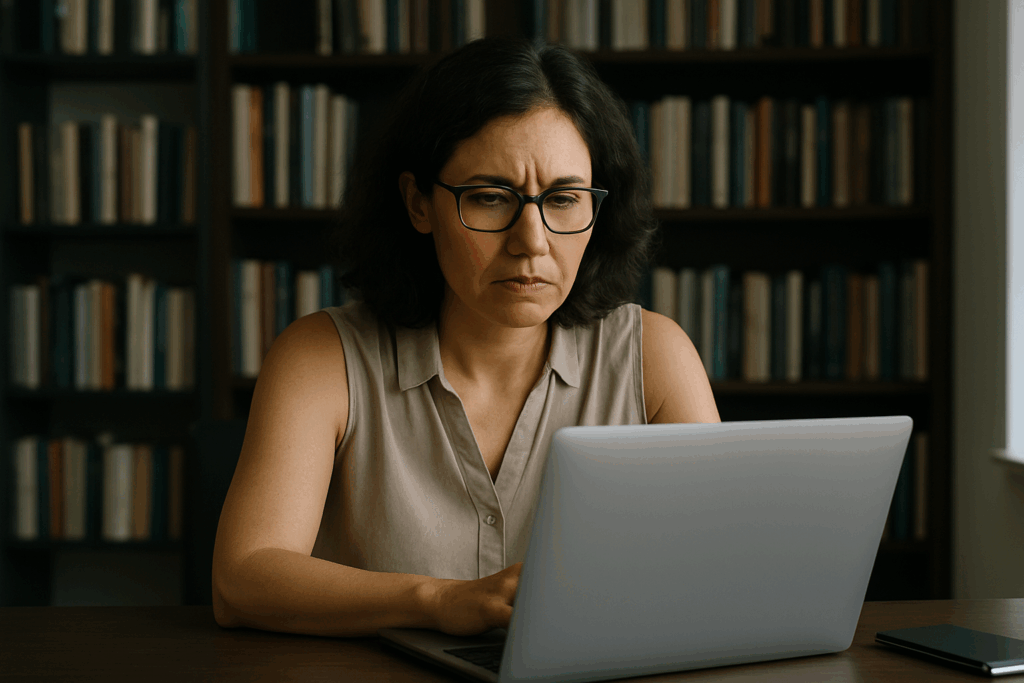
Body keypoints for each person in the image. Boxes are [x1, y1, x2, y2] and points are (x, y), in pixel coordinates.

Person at [211, 37, 720, 640]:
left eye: (563, 199)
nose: (532, 240)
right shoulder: (321, 357)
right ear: (418, 203)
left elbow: (721, 572)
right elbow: (243, 578)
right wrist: (437, 601)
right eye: (489, 198)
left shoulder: (653, 358)